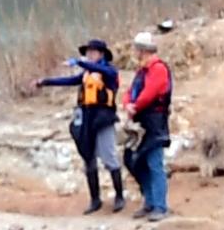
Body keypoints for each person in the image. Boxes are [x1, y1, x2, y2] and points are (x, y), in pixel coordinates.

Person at [35, 37, 123, 211]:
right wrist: (45, 82)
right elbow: (68, 81)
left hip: (103, 117)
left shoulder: (109, 72)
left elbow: (100, 70)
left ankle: (119, 197)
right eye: (87, 52)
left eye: (93, 52)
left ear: (101, 54)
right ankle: (95, 199)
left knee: (108, 156)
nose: (89, 55)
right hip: (87, 117)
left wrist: (79, 63)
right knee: (88, 157)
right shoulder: (86, 74)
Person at [122, 28, 175, 219]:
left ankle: (159, 206)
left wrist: (134, 106)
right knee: (135, 161)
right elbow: (129, 92)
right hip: (142, 122)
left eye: (137, 50)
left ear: (143, 50)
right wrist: (128, 104)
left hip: (154, 123)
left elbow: (150, 92)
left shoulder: (158, 69)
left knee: (154, 163)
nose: (135, 53)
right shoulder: (142, 71)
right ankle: (150, 201)